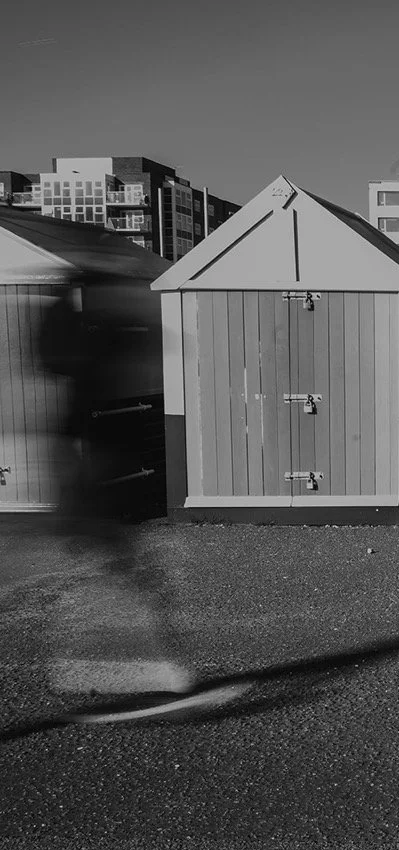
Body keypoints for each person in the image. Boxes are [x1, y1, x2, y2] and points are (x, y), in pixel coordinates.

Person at [37, 272, 248, 724]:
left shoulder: (93, 348)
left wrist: (68, 298)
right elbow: (151, 341)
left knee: (115, 570)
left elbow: (57, 354)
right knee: (120, 571)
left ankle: (156, 668)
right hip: (89, 469)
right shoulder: (102, 345)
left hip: (90, 468)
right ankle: (159, 668)